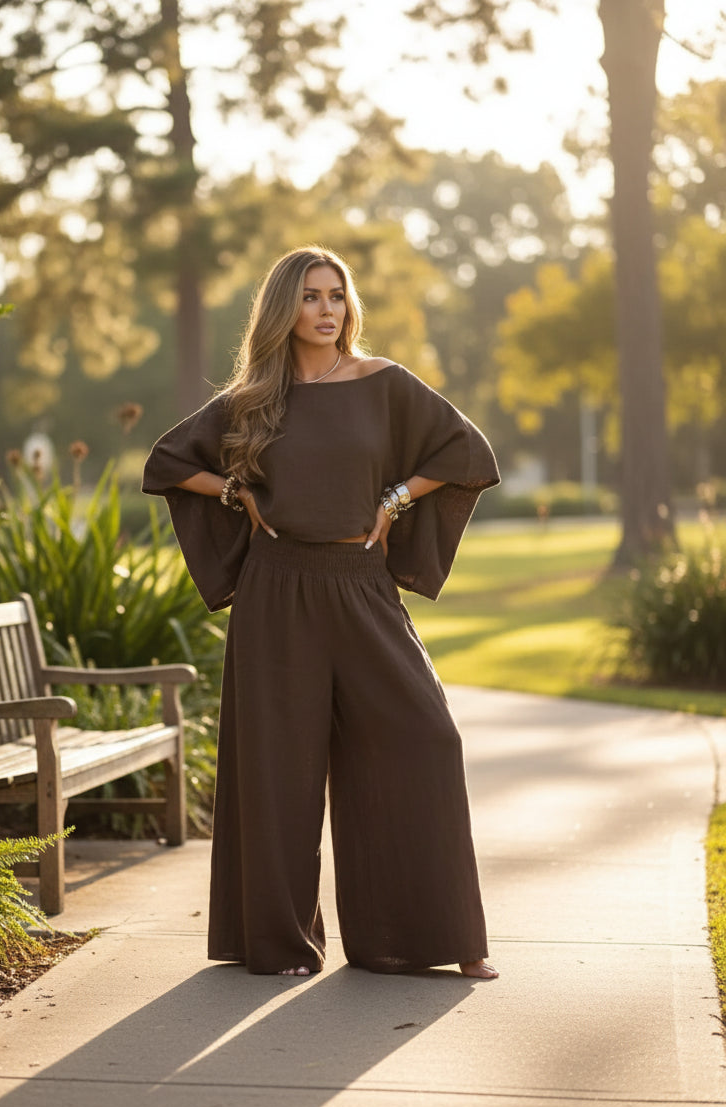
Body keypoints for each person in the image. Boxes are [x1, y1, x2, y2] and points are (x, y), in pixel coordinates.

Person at [143, 245, 500, 980]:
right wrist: (236, 494)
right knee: (278, 768)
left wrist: (398, 499)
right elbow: (169, 462)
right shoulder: (252, 400)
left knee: (426, 738)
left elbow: (466, 451)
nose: (327, 309)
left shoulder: (384, 383)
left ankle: (431, 939)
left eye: (336, 295)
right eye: (310, 296)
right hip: (277, 591)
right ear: (285, 308)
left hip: (363, 586)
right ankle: (274, 943)